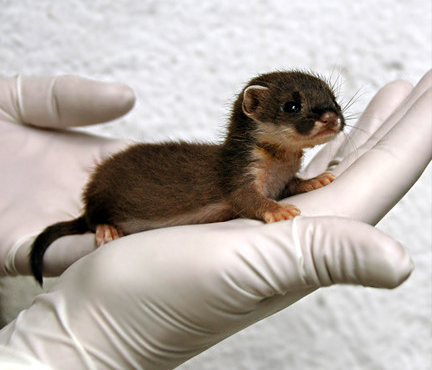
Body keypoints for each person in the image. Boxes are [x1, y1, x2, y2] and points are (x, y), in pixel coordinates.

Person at [0, 71, 430, 369]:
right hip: (120, 191)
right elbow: (246, 195)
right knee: (114, 184)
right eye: (296, 107)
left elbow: (275, 184)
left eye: (328, 105)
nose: (328, 116)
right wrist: (265, 208)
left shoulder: (278, 161)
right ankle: (99, 220)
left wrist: (297, 186)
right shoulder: (240, 167)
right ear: (254, 110)